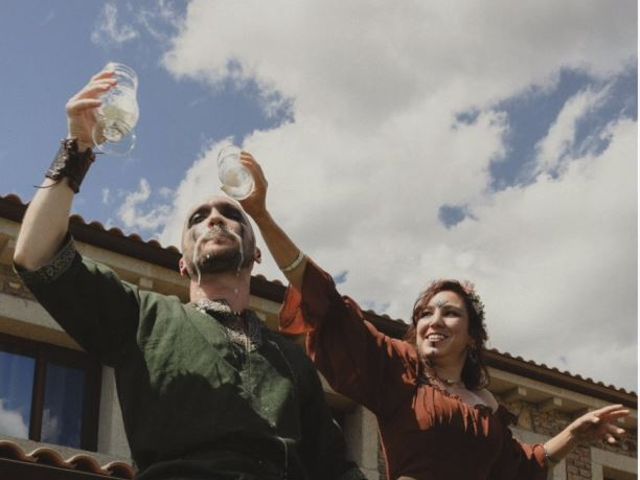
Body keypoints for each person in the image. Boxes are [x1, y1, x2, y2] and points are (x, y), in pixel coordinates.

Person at [13, 69, 365, 480]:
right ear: (183, 262)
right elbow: (35, 255)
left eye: (231, 214)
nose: (215, 218)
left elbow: (339, 470)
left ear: (256, 255)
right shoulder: (143, 317)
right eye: (198, 217)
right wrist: (79, 147)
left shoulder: (292, 359)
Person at [237, 155, 630, 480]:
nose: (434, 321)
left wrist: (576, 432)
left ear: (472, 337)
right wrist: (262, 217)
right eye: (425, 313)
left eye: (450, 313)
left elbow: (525, 465)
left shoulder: (487, 405)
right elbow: (328, 303)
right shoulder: (400, 372)